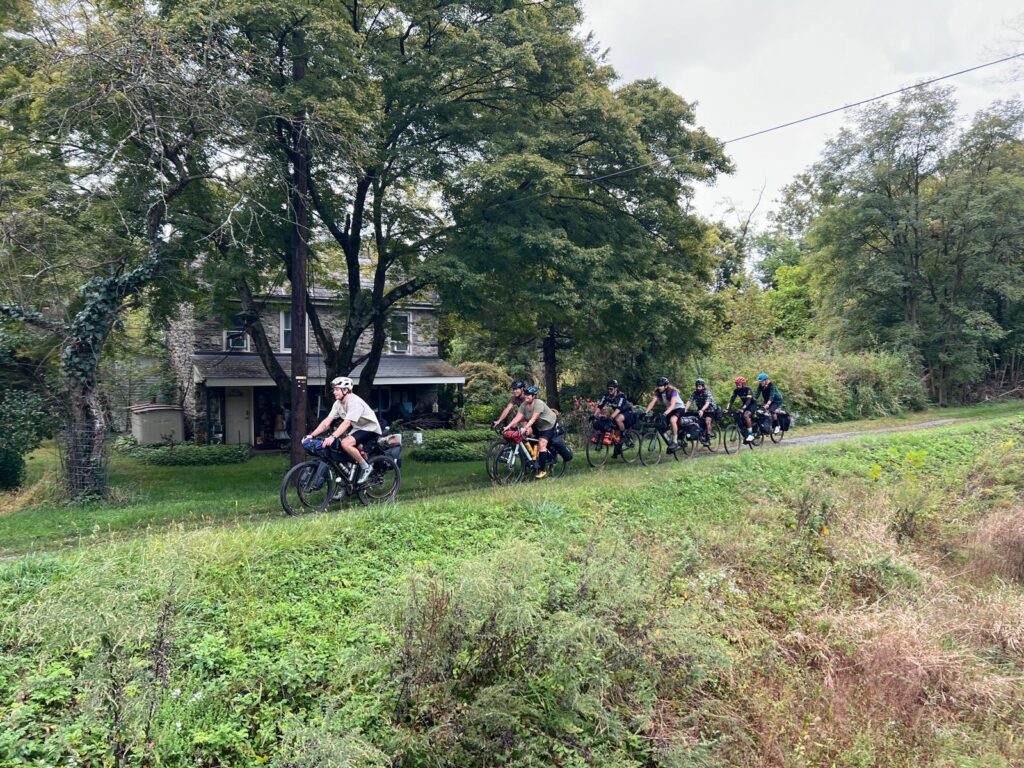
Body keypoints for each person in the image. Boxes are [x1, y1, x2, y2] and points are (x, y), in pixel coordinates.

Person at [304, 376, 382, 485]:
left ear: (345, 390)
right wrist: (311, 436)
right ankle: (349, 482)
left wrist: (332, 436)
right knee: (341, 450)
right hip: (358, 428)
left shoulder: (354, 402)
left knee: (346, 443)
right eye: (334, 389)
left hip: (370, 428)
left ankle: (366, 467)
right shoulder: (338, 404)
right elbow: (327, 422)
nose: (334, 392)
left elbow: (346, 423)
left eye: (337, 389)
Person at [503, 385, 562, 478]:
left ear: (534, 396)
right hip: (538, 425)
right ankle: (533, 459)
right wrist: (508, 426)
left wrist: (525, 427)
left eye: (529, 395)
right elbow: (517, 417)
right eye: (526, 394)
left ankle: (542, 470)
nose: (526, 396)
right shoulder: (524, 405)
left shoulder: (538, 404)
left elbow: (533, 419)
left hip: (548, 425)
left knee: (542, 444)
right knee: (526, 436)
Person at [644, 376, 687, 451]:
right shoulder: (658, 392)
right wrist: (645, 412)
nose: (659, 387)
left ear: (666, 386)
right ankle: (669, 441)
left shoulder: (673, 391)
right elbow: (652, 402)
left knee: (672, 420)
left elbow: (673, 404)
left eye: (661, 385)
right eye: (658, 385)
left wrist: (665, 413)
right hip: (670, 409)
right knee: (661, 424)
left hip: (679, 408)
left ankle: (675, 441)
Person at [683, 378, 717, 444]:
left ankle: (708, 437)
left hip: (710, 409)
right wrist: (685, 409)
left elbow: (707, 403)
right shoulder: (694, 393)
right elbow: (689, 401)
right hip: (701, 409)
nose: (698, 388)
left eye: (699, 386)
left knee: (707, 421)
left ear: (703, 386)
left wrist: (702, 410)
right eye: (697, 386)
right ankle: (701, 434)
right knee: (696, 420)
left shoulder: (707, 392)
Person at [727, 376, 757, 443]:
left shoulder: (748, 389)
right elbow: (731, 399)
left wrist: (743, 409)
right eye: (736, 384)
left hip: (752, 404)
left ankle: (750, 434)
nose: (737, 385)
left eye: (739, 384)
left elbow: (749, 400)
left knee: (746, 415)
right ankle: (745, 433)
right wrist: (727, 408)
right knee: (738, 415)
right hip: (745, 405)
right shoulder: (736, 390)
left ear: (743, 384)